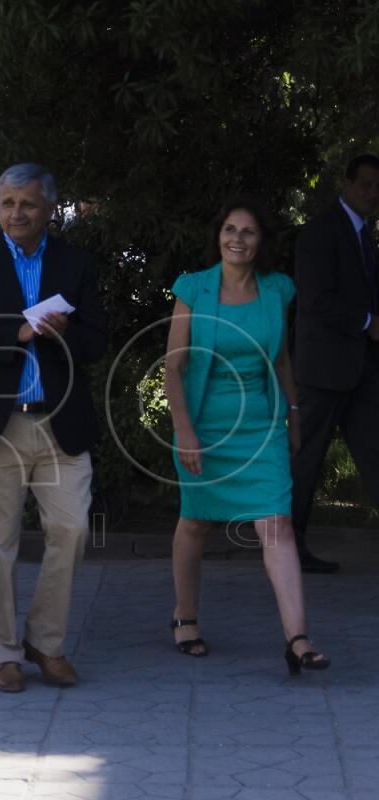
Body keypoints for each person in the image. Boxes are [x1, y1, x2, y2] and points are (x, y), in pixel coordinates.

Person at [0, 164, 106, 694]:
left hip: (61, 424)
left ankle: (46, 642)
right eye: (7, 203)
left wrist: (63, 334)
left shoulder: (75, 262)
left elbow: (98, 342)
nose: (15, 213)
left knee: (73, 530)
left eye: (27, 204)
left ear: (49, 208)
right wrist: (13, 332)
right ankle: (3, 651)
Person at [165, 197, 331, 675]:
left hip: (261, 426)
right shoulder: (194, 288)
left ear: (261, 242)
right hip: (203, 424)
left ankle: (297, 639)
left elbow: (279, 359)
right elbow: (174, 366)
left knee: (276, 523)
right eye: (230, 229)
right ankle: (186, 616)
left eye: (249, 231)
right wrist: (183, 430)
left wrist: (294, 414)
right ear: (218, 235)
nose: (237, 238)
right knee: (195, 521)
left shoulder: (278, 289)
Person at [291, 154, 379, 574]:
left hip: (362, 368)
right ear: (345, 183)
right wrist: (366, 323)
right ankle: (287, 551)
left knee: (375, 453)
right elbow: (316, 300)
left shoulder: (367, 234)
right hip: (324, 369)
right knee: (306, 461)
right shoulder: (319, 233)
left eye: (378, 188)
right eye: (366, 185)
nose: (372, 194)